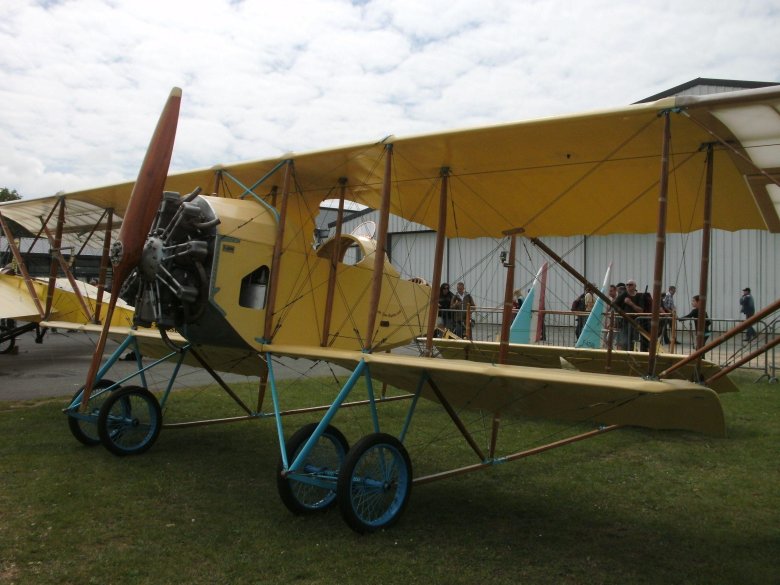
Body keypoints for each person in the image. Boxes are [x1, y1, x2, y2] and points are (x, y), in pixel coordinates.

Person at [614, 280, 644, 350]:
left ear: (635, 286)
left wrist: (631, 303)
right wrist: (621, 313)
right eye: (627, 285)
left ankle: (630, 356)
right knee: (623, 342)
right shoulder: (623, 295)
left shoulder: (639, 296)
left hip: (635, 323)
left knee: (632, 341)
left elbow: (641, 310)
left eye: (630, 285)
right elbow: (615, 305)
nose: (628, 286)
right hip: (624, 323)